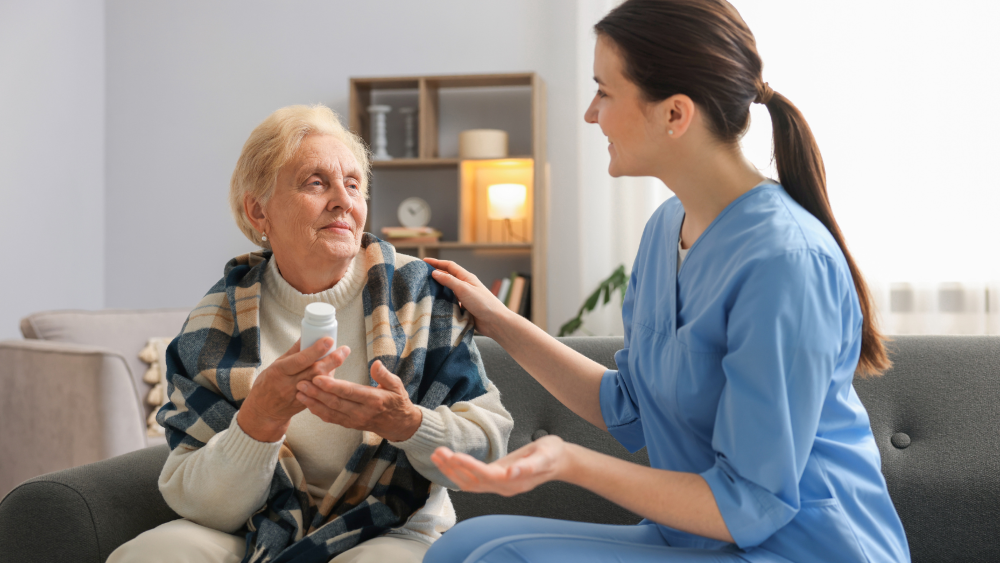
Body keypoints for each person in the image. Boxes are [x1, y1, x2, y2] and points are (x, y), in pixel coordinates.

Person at [422, 1, 910, 561]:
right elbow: (630, 404)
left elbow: (750, 502)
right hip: (697, 533)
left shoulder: (785, 261)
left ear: (675, 114)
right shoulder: (664, 231)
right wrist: (498, 320)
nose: (589, 113)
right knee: (461, 546)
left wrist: (570, 461)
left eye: (604, 91)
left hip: (798, 546)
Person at [107, 105, 513, 563]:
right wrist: (256, 423)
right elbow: (197, 500)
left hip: (394, 528)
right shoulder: (216, 320)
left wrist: (408, 424)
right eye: (316, 183)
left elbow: (488, 447)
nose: (343, 199)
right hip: (257, 526)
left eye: (354, 184)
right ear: (259, 211)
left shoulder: (419, 296)